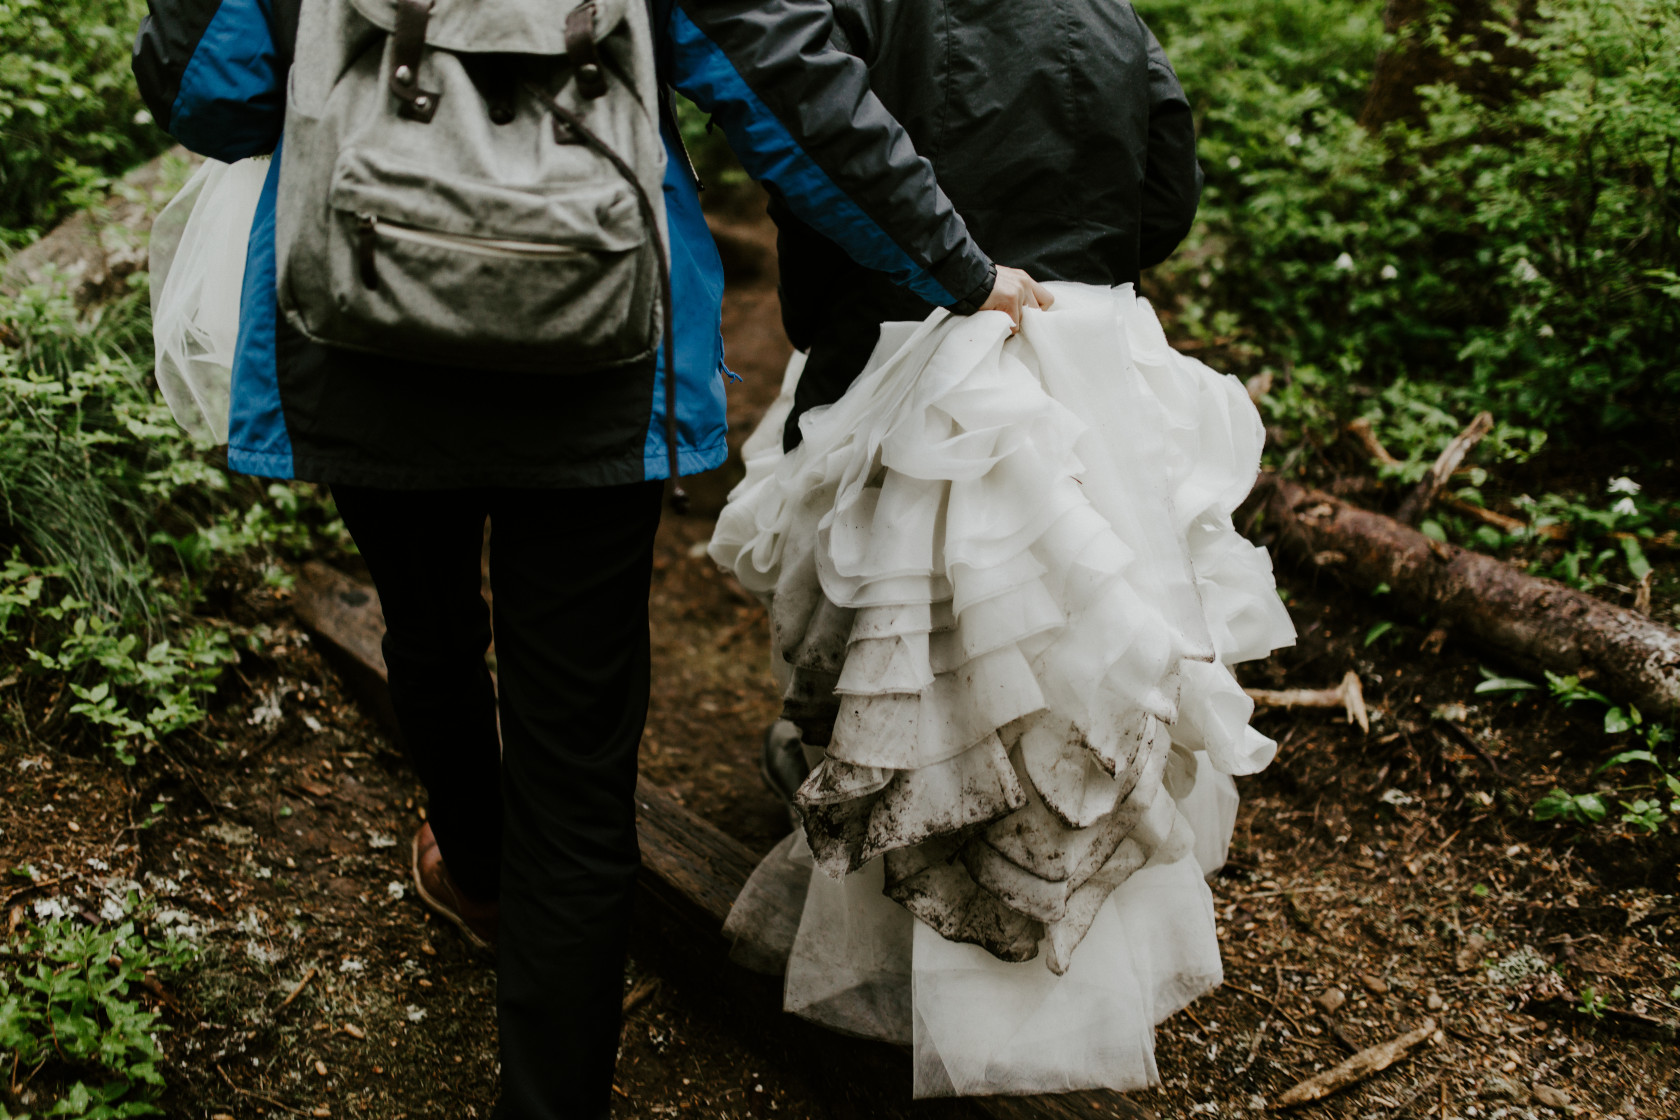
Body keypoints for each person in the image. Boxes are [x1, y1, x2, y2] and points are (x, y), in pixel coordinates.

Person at [132, 1, 1049, 1117]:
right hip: (596, 346)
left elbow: (207, 93)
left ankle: (473, 867)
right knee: (574, 756)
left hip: (364, 328)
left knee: (425, 622)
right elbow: (786, 86)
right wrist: (951, 265)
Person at [709, 0, 1299, 1098]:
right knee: (1085, 652)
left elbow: (813, 164)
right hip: (1086, 355)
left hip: (913, 338)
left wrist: (847, 329)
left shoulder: (866, 7)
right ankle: (1059, 933)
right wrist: (1083, 285)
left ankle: (895, 944)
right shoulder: (1116, 18)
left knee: (910, 636)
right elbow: (1165, 191)